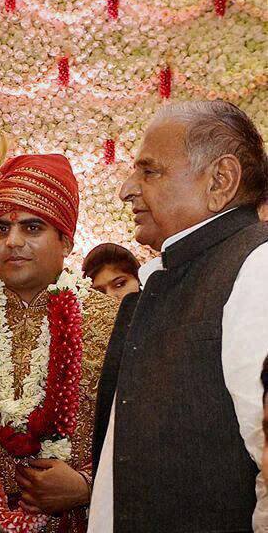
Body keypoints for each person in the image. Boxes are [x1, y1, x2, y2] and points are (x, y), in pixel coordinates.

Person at [89, 100, 268, 532]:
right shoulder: (172, 273)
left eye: (150, 171)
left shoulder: (256, 267)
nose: (127, 189)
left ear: (220, 181)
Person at [0, 140, 119, 533]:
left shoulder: (115, 323)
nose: (13, 241)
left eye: (32, 227)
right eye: (1, 227)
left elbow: (142, 435)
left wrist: (87, 486)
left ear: (66, 240)